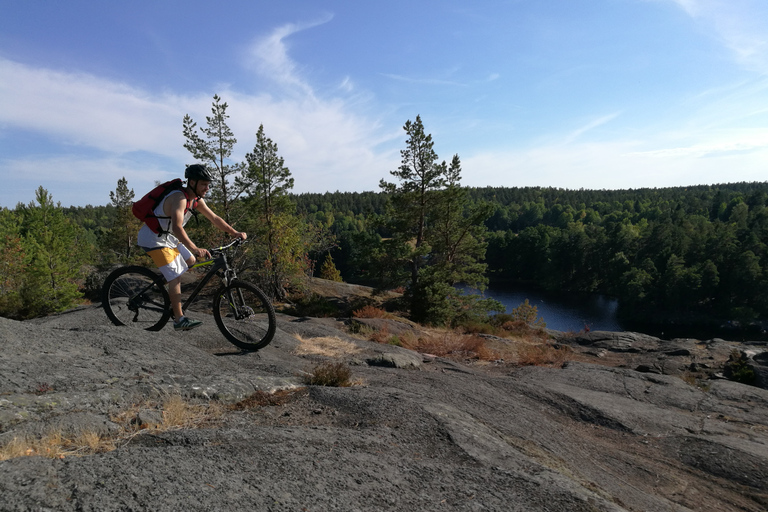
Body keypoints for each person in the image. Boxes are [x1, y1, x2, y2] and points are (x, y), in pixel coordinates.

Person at [137, 164, 247, 331]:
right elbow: (177, 227)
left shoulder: (195, 200)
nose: (207, 188)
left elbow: (215, 218)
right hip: (154, 239)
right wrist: (195, 247)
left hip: (167, 238)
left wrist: (234, 232)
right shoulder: (179, 199)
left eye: (208, 184)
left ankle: (163, 286)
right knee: (175, 276)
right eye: (204, 184)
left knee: (191, 260)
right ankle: (179, 320)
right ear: (192, 182)